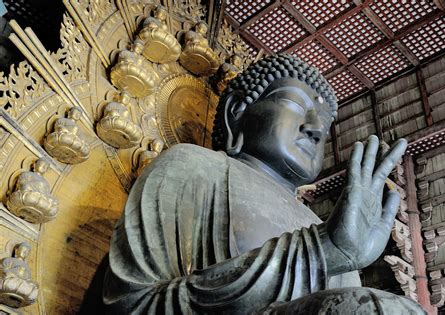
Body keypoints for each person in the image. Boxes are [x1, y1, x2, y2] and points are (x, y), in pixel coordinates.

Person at [103, 54, 424, 314]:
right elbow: (131, 305)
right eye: (297, 106)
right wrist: (321, 252)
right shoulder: (193, 166)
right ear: (236, 113)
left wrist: (334, 252)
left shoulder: (324, 226)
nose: (314, 130)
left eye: (324, 127)